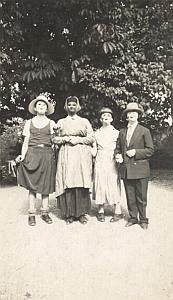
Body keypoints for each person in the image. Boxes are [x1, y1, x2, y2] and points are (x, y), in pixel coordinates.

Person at [53, 96, 94, 225]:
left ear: (78, 106)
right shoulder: (60, 122)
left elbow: (91, 138)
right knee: (67, 180)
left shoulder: (84, 121)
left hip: (81, 154)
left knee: (80, 181)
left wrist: (78, 140)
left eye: (74, 105)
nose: (71, 107)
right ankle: (69, 214)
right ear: (66, 106)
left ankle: (81, 213)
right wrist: (65, 139)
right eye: (69, 105)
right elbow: (54, 139)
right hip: (66, 153)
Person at [17, 95, 56, 226]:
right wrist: (22, 155)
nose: (41, 106)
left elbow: (55, 141)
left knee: (46, 185)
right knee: (32, 185)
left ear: (47, 109)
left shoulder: (51, 123)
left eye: (44, 105)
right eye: (39, 104)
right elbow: (26, 142)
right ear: (35, 107)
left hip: (47, 154)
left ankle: (45, 212)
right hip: (32, 154)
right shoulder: (29, 123)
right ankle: (32, 214)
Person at [115, 102, 154, 230]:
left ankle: (143, 219)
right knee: (130, 195)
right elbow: (118, 148)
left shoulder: (144, 131)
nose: (131, 115)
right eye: (129, 113)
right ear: (126, 116)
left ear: (138, 115)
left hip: (141, 169)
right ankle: (133, 218)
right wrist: (118, 155)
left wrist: (136, 152)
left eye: (134, 113)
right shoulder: (122, 131)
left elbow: (150, 150)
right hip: (126, 168)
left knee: (141, 196)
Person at [92, 107, 122, 222]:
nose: (106, 117)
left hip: (112, 160)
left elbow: (120, 148)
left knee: (113, 182)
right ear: (100, 119)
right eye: (103, 116)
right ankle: (100, 210)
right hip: (100, 159)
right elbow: (94, 150)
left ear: (112, 119)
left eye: (108, 116)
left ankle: (117, 210)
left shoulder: (117, 133)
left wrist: (119, 156)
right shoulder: (96, 133)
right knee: (100, 182)